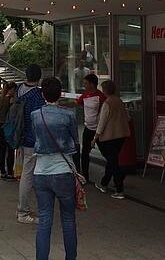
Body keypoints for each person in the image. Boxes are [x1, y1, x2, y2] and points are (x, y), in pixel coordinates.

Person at [32, 76, 78, 260]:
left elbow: (36, 138)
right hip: (63, 170)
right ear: (60, 94)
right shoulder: (69, 115)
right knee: (68, 219)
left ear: (43, 94)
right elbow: (75, 142)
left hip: (40, 171)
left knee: (44, 220)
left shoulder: (35, 115)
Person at [17, 64, 45, 224]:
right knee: (27, 176)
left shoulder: (20, 89)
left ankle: (23, 208)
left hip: (21, 136)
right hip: (32, 139)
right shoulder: (37, 95)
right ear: (39, 77)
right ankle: (23, 212)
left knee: (26, 173)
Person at [93, 79, 130, 199]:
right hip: (121, 135)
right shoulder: (120, 101)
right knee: (112, 160)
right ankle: (104, 183)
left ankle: (119, 189)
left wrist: (95, 137)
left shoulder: (107, 103)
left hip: (109, 137)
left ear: (104, 90)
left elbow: (102, 122)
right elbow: (128, 117)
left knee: (113, 163)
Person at [72, 74, 105, 183]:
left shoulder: (101, 96)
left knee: (106, 153)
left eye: (86, 83)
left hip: (99, 130)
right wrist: (61, 105)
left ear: (92, 84)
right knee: (85, 153)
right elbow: (75, 103)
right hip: (88, 129)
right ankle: (85, 176)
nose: (84, 85)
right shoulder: (85, 95)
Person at [0, 82, 18, 179]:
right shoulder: (10, 100)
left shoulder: (1, 98)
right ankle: (9, 172)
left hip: (0, 125)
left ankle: (2, 171)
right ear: (11, 89)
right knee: (10, 150)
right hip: (7, 126)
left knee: (2, 149)